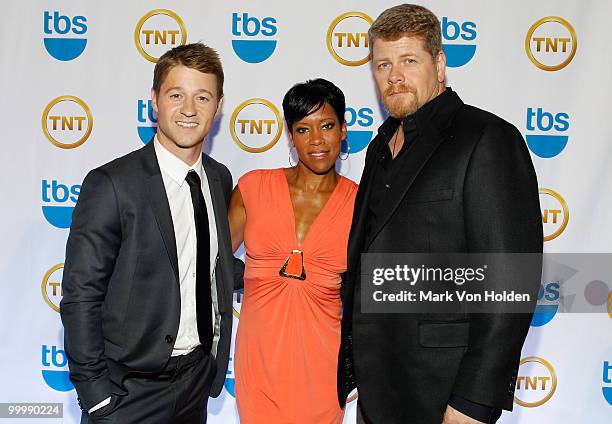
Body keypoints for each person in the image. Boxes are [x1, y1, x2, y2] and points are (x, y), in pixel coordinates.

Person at [337, 4, 543, 424]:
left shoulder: (487, 139)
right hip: (378, 391)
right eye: (383, 64)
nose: (394, 76)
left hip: (447, 393)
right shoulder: (379, 148)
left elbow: (511, 280)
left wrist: (473, 402)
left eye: (409, 60)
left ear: (441, 65)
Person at [60, 43, 243, 423]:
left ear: (219, 105)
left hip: (195, 382)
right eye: (176, 95)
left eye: (202, 97)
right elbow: (81, 296)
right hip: (127, 391)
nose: (189, 110)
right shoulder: (112, 184)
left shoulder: (219, 178)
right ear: (154, 101)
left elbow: (204, 265)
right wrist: (96, 396)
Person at [228, 78, 358, 423]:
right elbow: (205, 262)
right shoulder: (253, 187)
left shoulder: (361, 204)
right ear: (290, 135)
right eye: (303, 129)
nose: (316, 140)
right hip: (259, 358)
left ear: (344, 130)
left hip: (322, 362)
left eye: (327, 126)